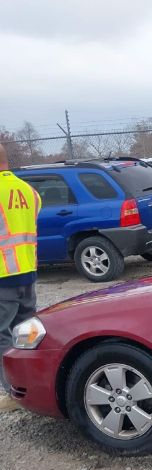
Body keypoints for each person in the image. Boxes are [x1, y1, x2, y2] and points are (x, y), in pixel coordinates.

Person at [0, 143, 40, 413]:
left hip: (2, 276)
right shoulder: (28, 190)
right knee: (26, 335)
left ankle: (14, 393)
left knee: (2, 337)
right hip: (27, 272)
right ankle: (35, 388)